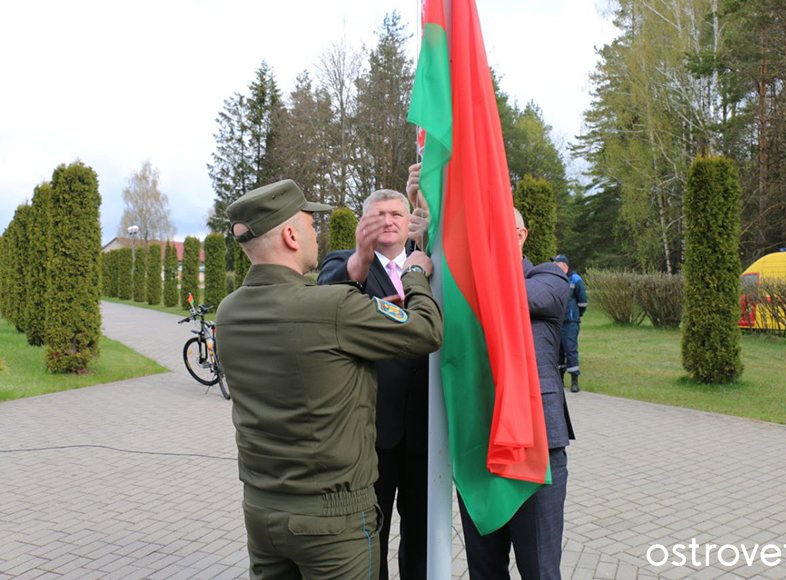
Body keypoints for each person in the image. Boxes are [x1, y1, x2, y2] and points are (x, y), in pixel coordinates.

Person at [216, 179, 443, 580]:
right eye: (309, 224)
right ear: (289, 235)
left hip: (263, 510)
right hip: (331, 522)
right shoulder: (333, 305)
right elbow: (425, 330)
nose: (315, 234)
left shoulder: (229, 311)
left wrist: (366, 317)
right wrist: (413, 275)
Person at [317, 174, 431, 580]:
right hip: (372, 433)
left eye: (397, 213)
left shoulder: (430, 264)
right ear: (362, 225)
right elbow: (329, 290)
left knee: (421, 531)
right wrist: (360, 259)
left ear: (410, 220)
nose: (388, 220)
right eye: (378, 214)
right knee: (372, 533)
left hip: (427, 429)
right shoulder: (344, 263)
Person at [456, 207, 574, 580]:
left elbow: (508, 299)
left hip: (536, 444)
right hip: (480, 442)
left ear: (521, 235)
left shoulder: (549, 278)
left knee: (539, 569)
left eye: (498, 231)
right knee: (484, 569)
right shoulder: (469, 283)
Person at [552, 254, 588, 393]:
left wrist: (577, 314)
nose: (554, 267)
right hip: (556, 321)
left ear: (565, 266)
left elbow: (583, 301)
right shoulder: (554, 279)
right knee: (558, 352)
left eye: (557, 264)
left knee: (570, 350)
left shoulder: (575, 279)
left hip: (570, 323)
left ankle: (574, 381)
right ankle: (559, 381)